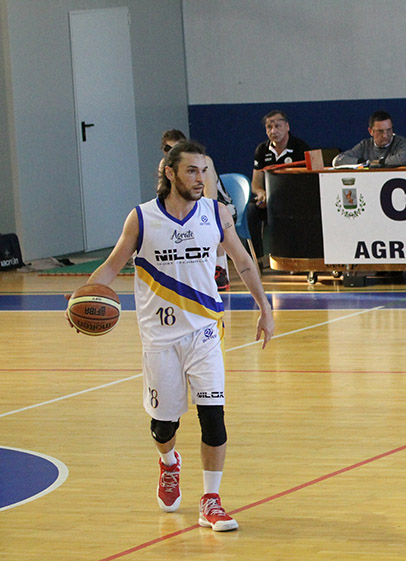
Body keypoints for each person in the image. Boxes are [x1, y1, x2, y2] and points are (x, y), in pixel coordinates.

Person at [73, 140, 275, 531]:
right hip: (160, 339)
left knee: (213, 418)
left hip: (205, 332)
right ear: (170, 173)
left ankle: (211, 500)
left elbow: (243, 262)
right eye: (192, 171)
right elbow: (112, 266)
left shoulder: (216, 213)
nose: (201, 179)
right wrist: (83, 296)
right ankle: (169, 463)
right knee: (164, 426)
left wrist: (265, 309)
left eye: (204, 171)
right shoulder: (142, 218)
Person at [160, 130, 235, 291]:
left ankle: (219, 268)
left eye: (177, 148)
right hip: (187, 206)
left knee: (213, 219)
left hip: (220, 205)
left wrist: (195, 215)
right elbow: (162, 196)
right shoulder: (165, 166)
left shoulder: (204, 161)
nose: (173, 152)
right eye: (168, 149)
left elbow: (211, 199)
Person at [248, 110, 312, 265]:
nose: (273, 131)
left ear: (287, 126)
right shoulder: (262, 150)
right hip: (269, 201)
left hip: (294, 200)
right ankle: (257, 259)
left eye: (277, 126)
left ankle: (297, 258)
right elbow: (255, 183)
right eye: (269, 127)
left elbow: (308, 181)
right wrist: (261, 193)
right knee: (250, 210)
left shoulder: (300, 147)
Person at [332, 110, 406, 168]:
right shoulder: (364, 145)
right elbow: (338, 160)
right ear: (370, 131)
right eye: (380, 131)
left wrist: (378, 163)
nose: (385, 135)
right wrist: (364, 163)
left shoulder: (401, 143)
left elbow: (405, 159)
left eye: (389, 130)